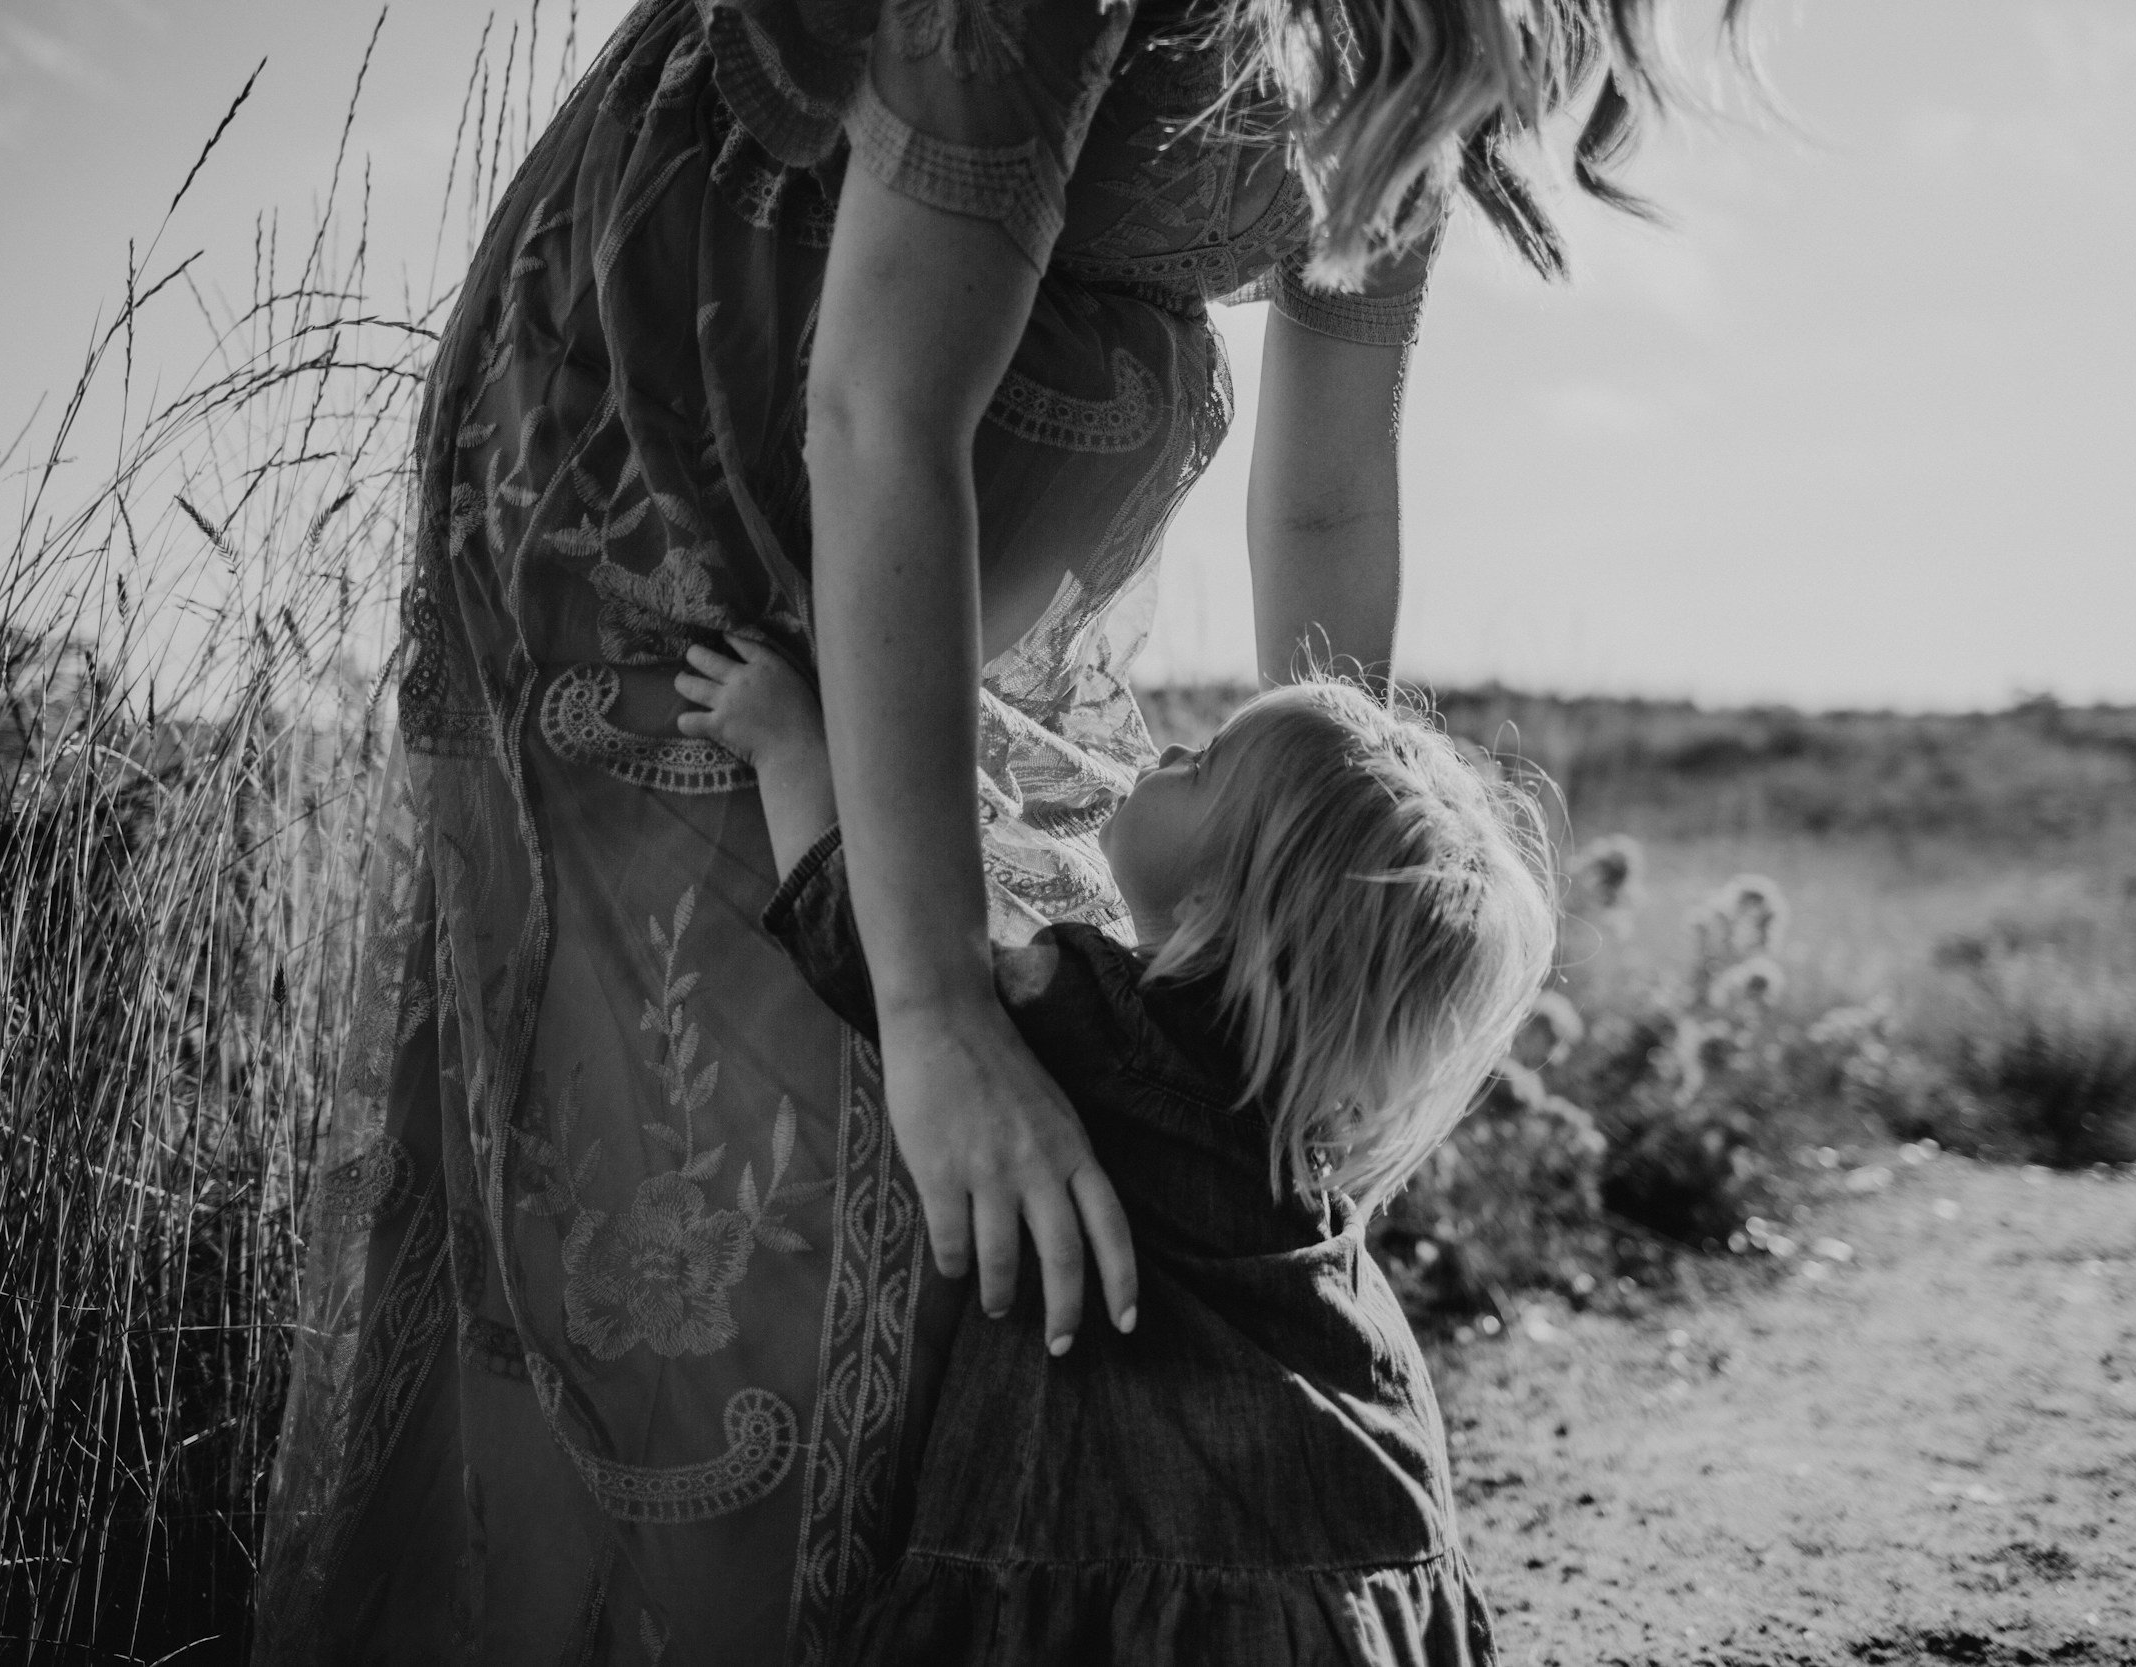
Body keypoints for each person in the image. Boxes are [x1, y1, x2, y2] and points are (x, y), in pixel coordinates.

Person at [256, 0, 1738, 1658]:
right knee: (709, 1157)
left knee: (859, 1185)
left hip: (898, 535)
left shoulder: (1424, 39)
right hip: (678, 445)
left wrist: (1326, 841)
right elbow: (879, 411)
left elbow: (1330, 496)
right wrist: (944, 1006)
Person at [675, 636, 1551, 1663]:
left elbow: (872, 949)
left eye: (1206, 764)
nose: (1172, 750)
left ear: (1217, 903)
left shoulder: (1102, 1026)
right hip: (1358, 1513)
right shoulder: (1303, 1114)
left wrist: (785, 745)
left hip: (1106, 1531)